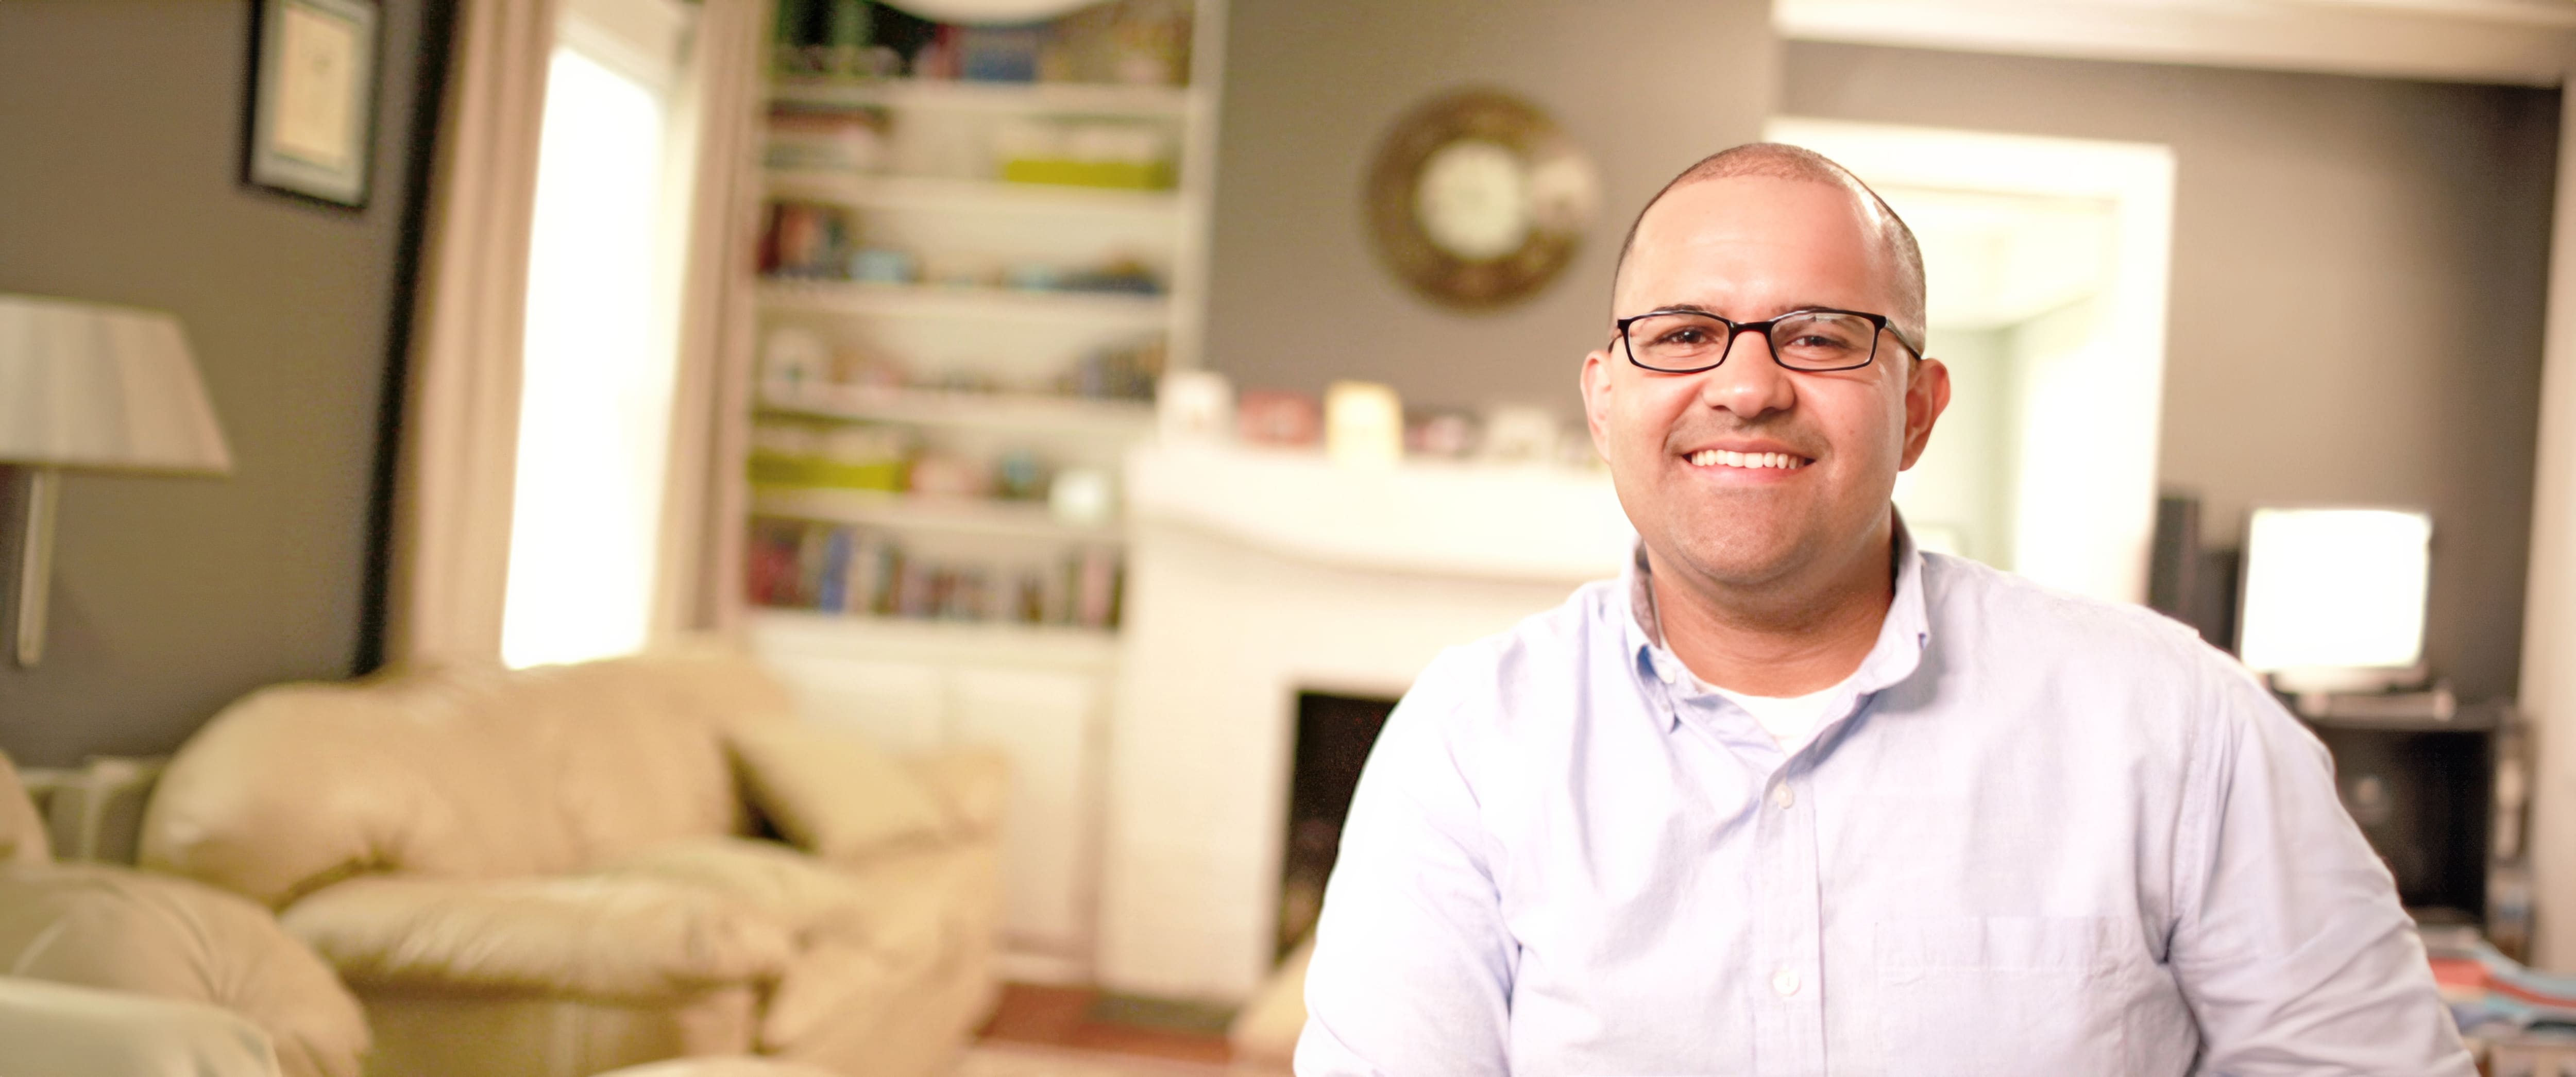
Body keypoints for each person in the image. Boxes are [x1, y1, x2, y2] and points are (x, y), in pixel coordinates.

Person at [1294, 143, 2474, 1076]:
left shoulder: (2181, 724)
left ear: (1917, 409)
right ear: (1604, 402)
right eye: (1684, 334)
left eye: (1819, 336)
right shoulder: (1469, 740)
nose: (1745, 386)